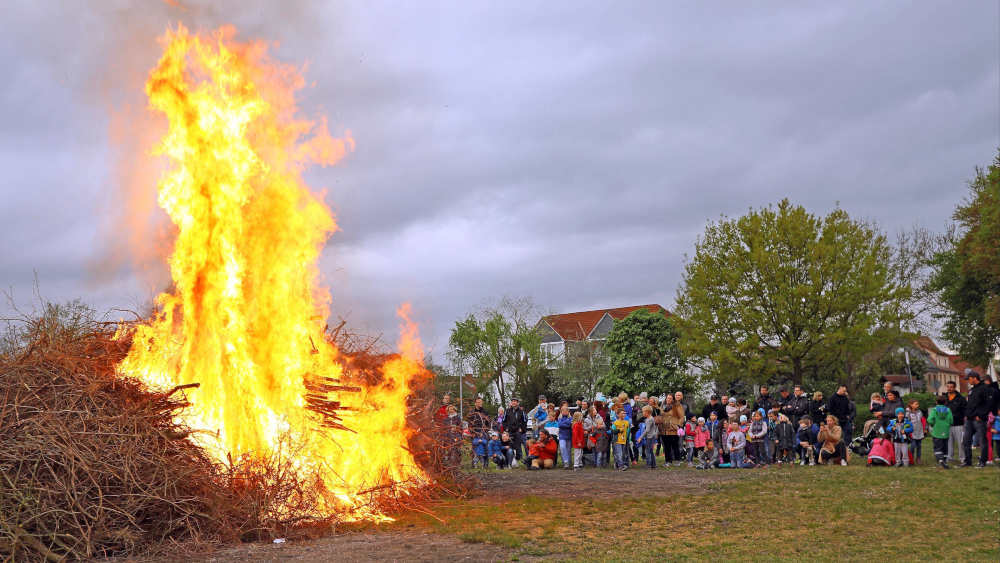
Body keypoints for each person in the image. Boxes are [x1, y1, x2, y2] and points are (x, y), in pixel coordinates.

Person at [962, 371, 993, 468]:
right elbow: (970, 404)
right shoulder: (972, 390)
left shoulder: (984, 388)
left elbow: (988, 404)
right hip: (969, 419)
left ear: (975, 378)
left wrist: (981, 415)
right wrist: (966, 414)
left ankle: (982, 462)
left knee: (982, 441)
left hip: (979, 419)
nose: (968, 381)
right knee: (966, 440)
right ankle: (968, 461)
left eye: (969, 379)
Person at [927, 395, 953, 469]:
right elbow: (951, 420)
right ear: (945, 402)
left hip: (937, 431)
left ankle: (940, 460)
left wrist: (932, 424)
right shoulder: (948, 410)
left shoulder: (934, 410)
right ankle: (944, 460)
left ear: (936, 402)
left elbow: (930, 420)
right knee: (945, 447)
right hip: (945, 431)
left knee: (938, 447)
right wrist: (948, 424)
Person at [943, 381, 967, 464]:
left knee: (960, 442)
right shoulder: (944, 397)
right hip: (947, 424)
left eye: (951, 387)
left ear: (955, 387)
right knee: (949, 442)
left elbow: (965, 410)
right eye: (948, 386)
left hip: (958, 423)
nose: (949, 388)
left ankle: (962, 458)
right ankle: (950, 457)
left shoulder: (960, 398)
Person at [503, 397, 529, 462]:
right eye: (512, 401)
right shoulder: (507, 411)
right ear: (511, 403)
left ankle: (519, 459)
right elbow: (504, 421)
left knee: (518, 445)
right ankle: (509, 460)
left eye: (515, 401)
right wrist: (506, 428)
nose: (513, 402)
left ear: (518, 403)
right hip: (510, 431)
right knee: (510, 445)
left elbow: (525, 421)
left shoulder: (521, 411)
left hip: (518, 431)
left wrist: (522, 429)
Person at [664, 402, 685, 466]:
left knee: (675, 447)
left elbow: (678, 425)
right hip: (666, 434)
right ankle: (668, 461)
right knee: (667, 448)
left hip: (674, 434)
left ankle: (677, 461)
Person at [905, 399, 926, 465]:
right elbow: (906, 422)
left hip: (919, 431)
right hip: (912, 432)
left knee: (919, 446)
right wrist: (907, 430)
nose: (917, 405)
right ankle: (911, 459)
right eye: (916, 404)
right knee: (913, 446)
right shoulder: (908, 413)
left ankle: (918, 458)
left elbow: (923, 420)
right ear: (911, 405)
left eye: (918, 404)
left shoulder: (919, 412)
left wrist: (925, 428)